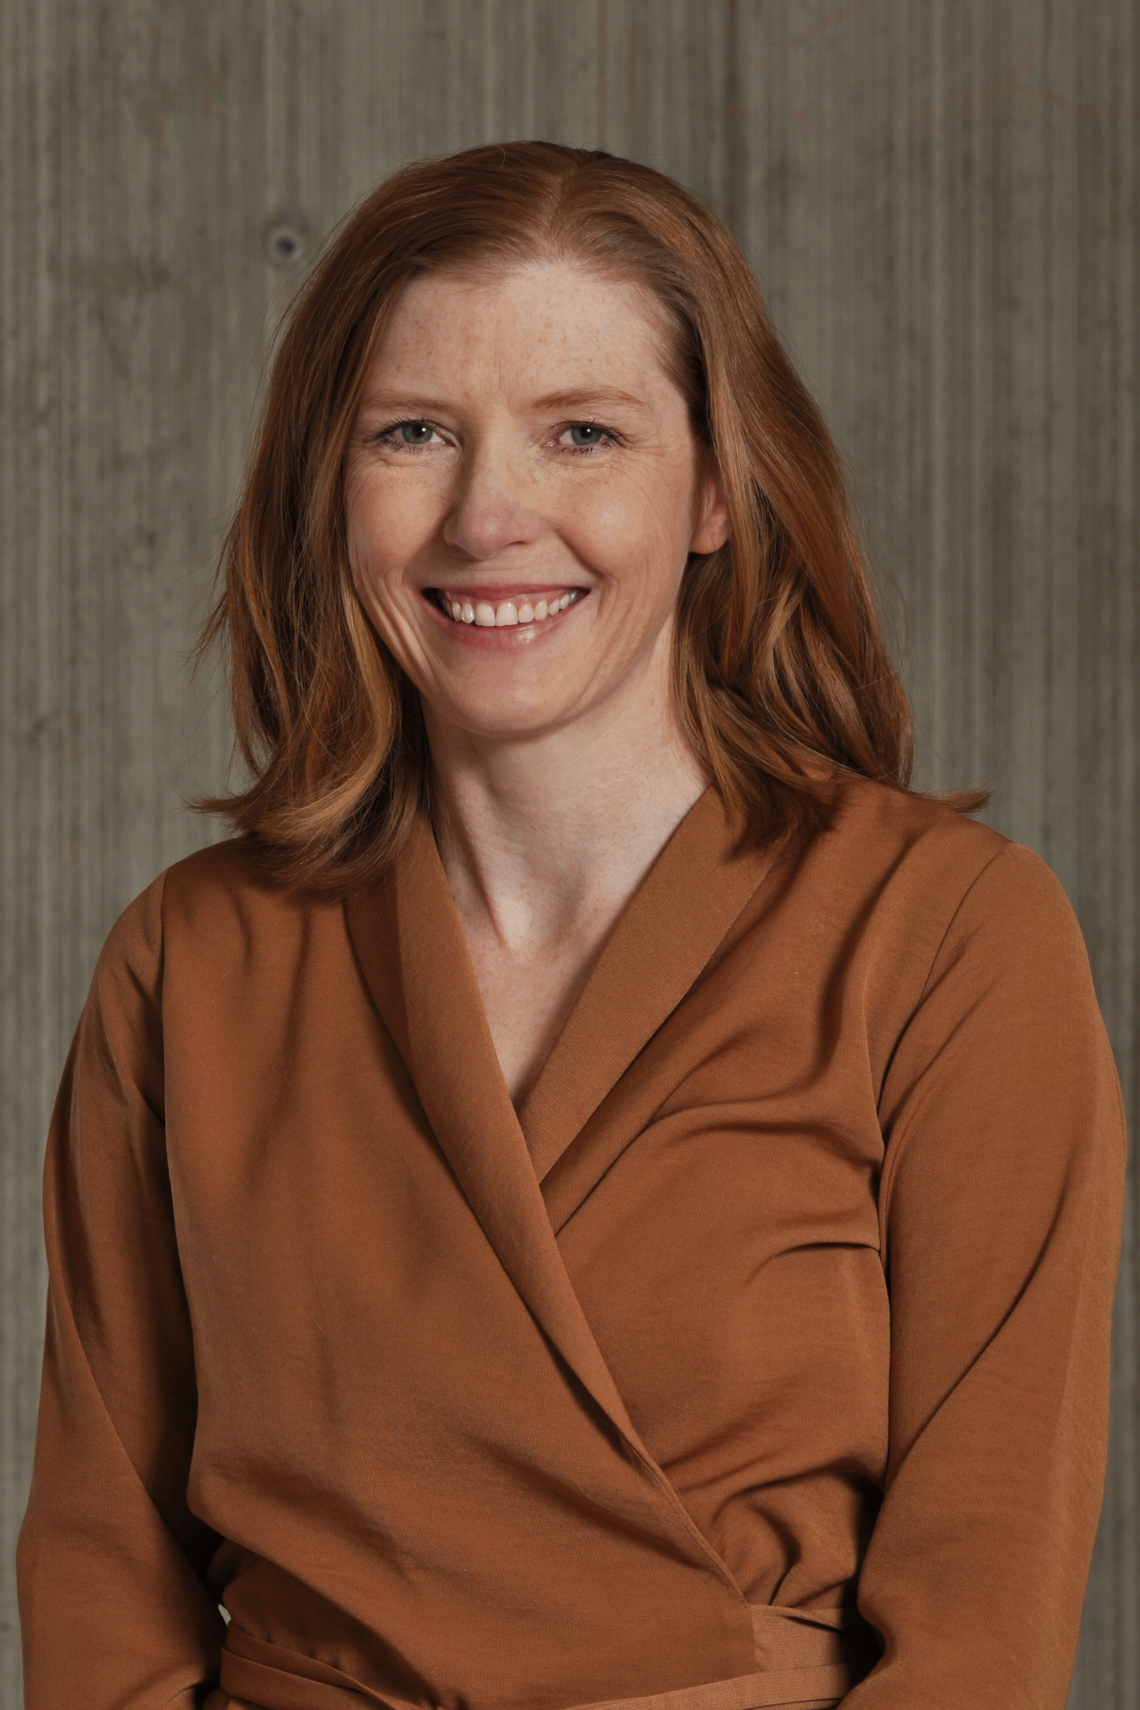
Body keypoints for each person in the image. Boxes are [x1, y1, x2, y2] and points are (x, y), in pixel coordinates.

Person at [17, 142, 1125, 1710]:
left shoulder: (951, 936)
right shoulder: (187, 962)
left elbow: (983, 1627)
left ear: (720, 490)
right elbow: (98, 1569)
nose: (489, 515)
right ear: (331, 483)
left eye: (581, 433)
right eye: (415, 433)